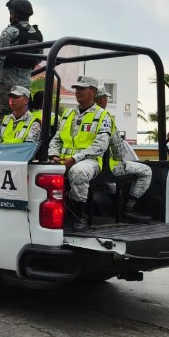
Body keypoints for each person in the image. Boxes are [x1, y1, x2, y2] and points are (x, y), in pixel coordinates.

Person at [48, 76, 112, 231]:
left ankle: (79, 215)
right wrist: (53, 155)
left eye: (82, 88)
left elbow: (100, 146)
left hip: (90, 161)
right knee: (42, 168)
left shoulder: (102, 116)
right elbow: (57, 139)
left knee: (78, 172)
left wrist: (75, 159)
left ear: (94, 91)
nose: (78, 91)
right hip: (64, 159)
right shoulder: (68, 113)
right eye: (77, 88)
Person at [0, 0, 44, 143]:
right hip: (24, 84)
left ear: (14, 13)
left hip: (4, 82)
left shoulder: (9, 32)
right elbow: (39, 58)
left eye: (11, 12)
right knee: (20, 116)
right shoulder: (37, 34)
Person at [95, 82, 152, 223]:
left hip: (86, 167)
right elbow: (118, 149)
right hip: (108, 166)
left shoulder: (77, 116)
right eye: (106, 98)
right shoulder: (105, 117)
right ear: (101, 99)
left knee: (111, 185)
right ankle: (128, 210)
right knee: (146, 171)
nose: (107, 101)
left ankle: (112, 209)